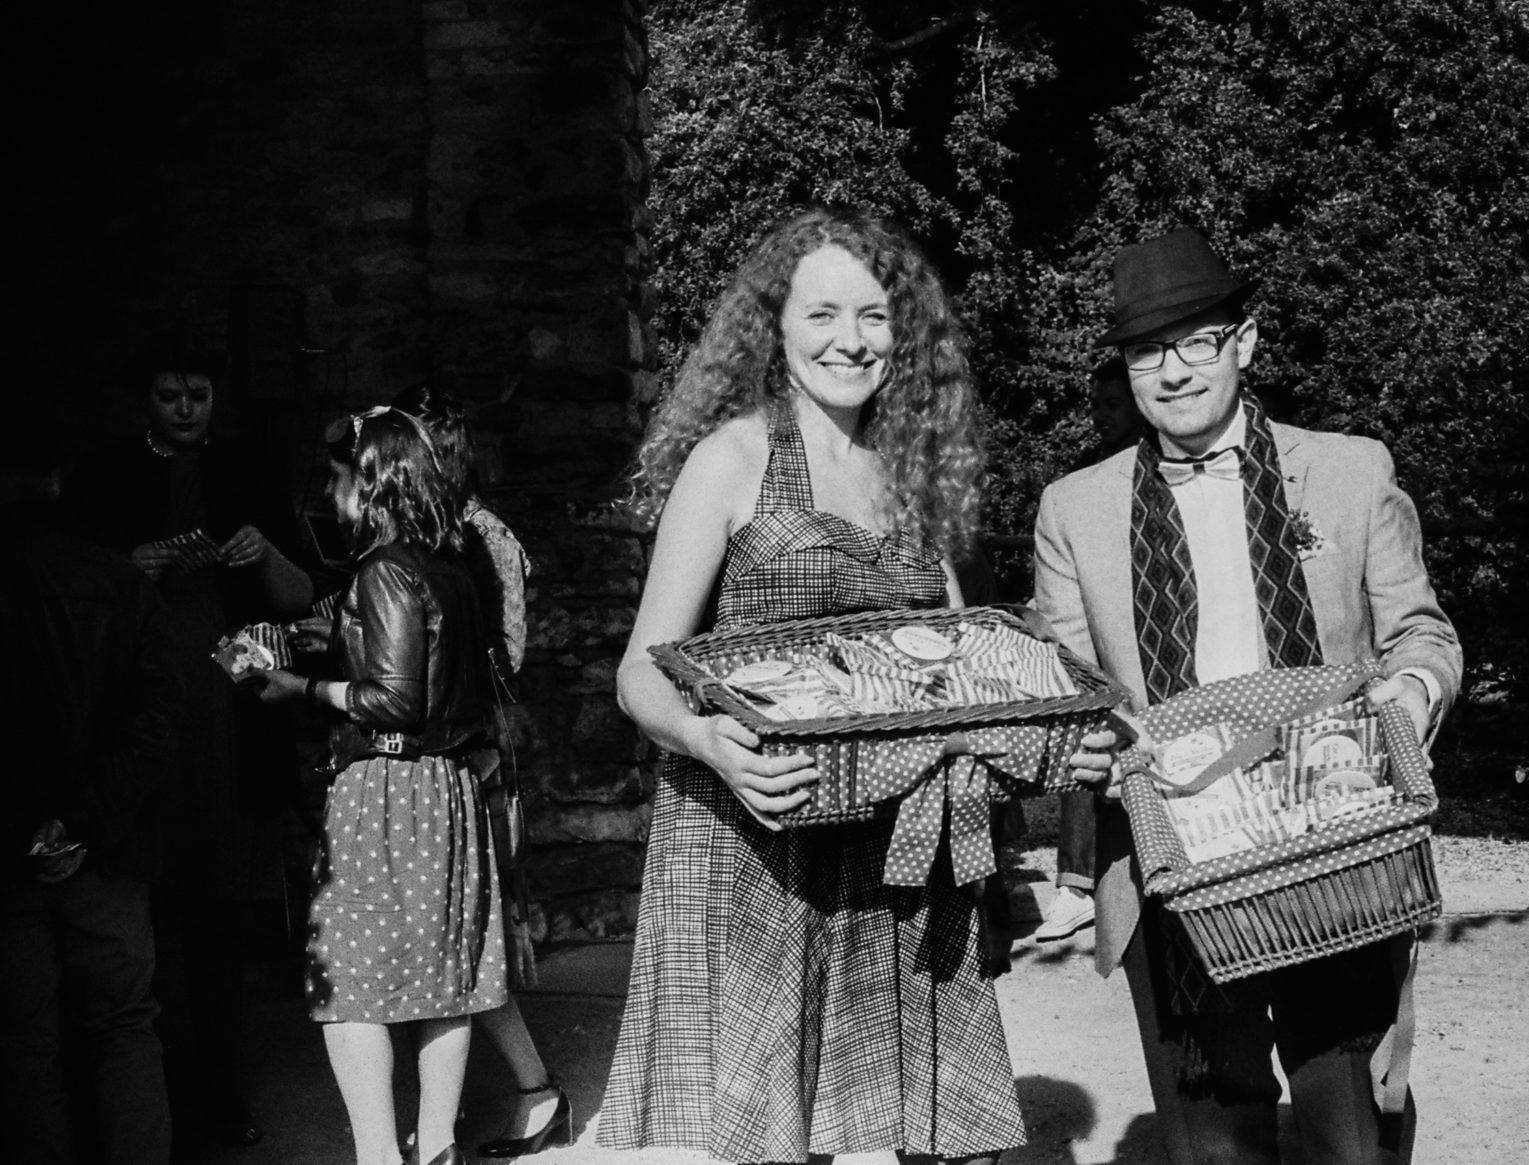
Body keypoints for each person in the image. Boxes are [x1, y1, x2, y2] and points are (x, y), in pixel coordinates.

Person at [598, 207, 1107, 1162]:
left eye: (874, 317)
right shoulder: (733, 459)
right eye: (823, 314)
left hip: (894, 842)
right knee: (772, 1133)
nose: (851, 340)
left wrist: (1053, 741)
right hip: (756, 835)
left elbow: (969, 672)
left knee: (901, 1123)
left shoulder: (917, 475)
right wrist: (712, 743)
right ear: (775, 325)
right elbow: (640, 670)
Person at [1033, 228, 1463, 1165]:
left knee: (1350, 1126)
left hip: (1336, 841)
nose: (1174, 371)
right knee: (1211, 1137)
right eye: (1149, 350)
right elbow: (1067, 693)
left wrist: (1407, 696)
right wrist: (1081, 742)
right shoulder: (1077, 508)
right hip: (1175, 856)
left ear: (1246, 341)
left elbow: (1424, 634)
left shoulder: (1350, 471)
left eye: (1196, 341)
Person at [57, 340, 315, 1152]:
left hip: (231, 735)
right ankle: (158, 1104)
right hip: (143, 733)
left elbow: (306, 597)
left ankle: (221, 1094)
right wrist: (132, 566)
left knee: (224, 935)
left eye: (197, 393)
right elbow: (64, 591)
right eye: (169, 394)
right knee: (150, 933)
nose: (184, 407)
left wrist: (264, 553)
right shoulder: (103, 477)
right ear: (144, 402)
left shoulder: (248, 474)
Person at [253, 407, 508, 1165]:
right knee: (441, 976)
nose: (331, 497)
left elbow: (394, 700)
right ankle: (434, 1149)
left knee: (351, 978)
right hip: (446, 785)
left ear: (372, 482)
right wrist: (336, 641)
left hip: (392, 790)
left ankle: (378, 1156)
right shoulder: (452, 566)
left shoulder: (386, 568)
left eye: (339, 479)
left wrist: (301, 686)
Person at [390, 384, 567, 1158]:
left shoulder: (479, 536)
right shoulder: (419, 536)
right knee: (456, 938)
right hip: (450, 756)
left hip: (473, 758)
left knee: (467, 937)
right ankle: (503, 1097)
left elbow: (508, 657)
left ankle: (522, 1094)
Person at [1, 412, 183, 1165]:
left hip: (11, 862)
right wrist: (79, 821)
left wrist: (32, 828)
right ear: (57, 480)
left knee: (22, 1042)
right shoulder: (116, 581)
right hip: (105, 853)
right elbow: (154, 725)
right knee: (123, 1030)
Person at [1032, 356, 1144, 944]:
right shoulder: (1080, 483)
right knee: (1085, 747)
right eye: (1095, 406)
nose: (1100, 417)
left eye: (1112, 405)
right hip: (1090, 648)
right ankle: (1075, 885)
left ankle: (1085, 880)